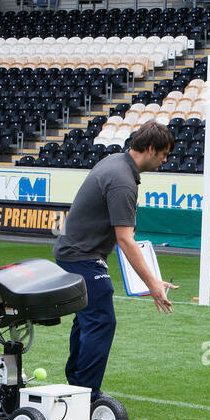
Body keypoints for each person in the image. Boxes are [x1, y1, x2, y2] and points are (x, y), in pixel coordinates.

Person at [54, 122, 176, 398]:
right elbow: (125, 240)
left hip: (75, 252)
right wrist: (152, 283)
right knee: (101, 321)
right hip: (80, 256)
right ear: (151, 149)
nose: (165, 160)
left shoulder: (115, 162)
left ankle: (75, 384)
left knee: (87, 319)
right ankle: (85, 393)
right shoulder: (122, 180)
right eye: (164, 154)